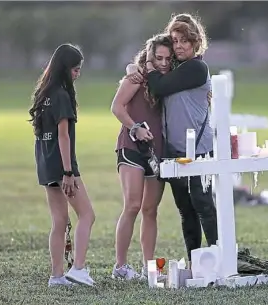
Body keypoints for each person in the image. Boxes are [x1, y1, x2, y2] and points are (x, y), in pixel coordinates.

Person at [126, 13, 218, 269]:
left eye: (184, 41)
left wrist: (150, 68)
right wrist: (134, 67)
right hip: (174, 150)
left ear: (196, 42)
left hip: (199, 149)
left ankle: (217, 254)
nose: (178, 46)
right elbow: (147, 76)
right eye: (175, 40)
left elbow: (159, 87)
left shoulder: (196, 68)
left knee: (203, 204)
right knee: (185, 209)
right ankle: (195, 261)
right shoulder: (174, 67)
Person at [28, 43, 96, 287]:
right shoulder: (62, 95)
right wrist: (68, 172)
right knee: (87, 215)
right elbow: (63, 135)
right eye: (75, 70)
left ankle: (56, 276)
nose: (78, 74)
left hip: (45, 164)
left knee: (59, 221)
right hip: (62, 165)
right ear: (65, 69)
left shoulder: (43, 93)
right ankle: (78, 268)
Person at [110, 34, 174, 280]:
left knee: (150, 209)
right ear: (149, 57)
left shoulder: (169, 80)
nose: (163, 62)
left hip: (157, 151)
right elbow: (117, 106)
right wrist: (135, 127)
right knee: (133, 206)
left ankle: (150, 267)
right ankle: (121, 266)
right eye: (158, 58)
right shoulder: (137, 77)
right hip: (132, 147)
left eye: (168, 58)